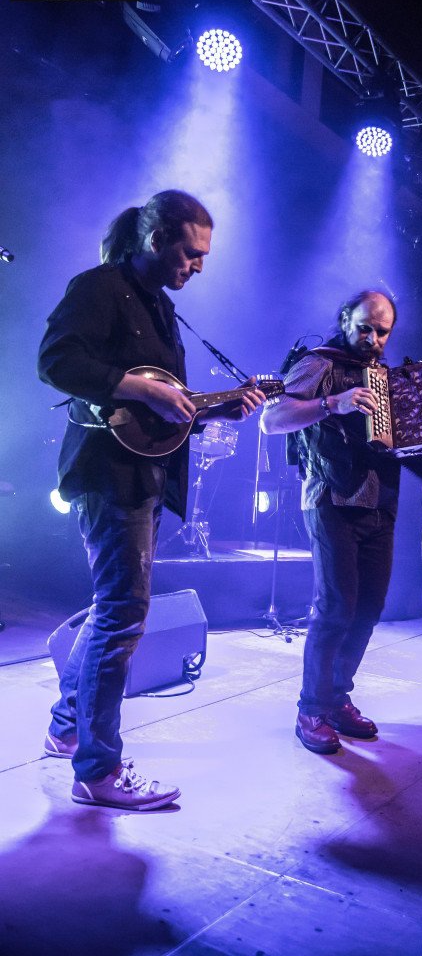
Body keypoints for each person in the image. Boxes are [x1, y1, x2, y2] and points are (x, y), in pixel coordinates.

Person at [38, 190, 265, 810]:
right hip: (107, 476)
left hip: (145, 478)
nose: (199, 266)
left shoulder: (163, 308)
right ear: (156, 239)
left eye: (204, 256)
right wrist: (139, 387)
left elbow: (170, 405)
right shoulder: (99, 288)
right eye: (191, 253)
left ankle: (66, 727)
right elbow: (55, 361)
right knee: (121, 614)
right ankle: (98, 771)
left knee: (113, 609)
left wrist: (218, 410)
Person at [261, 289, 399, 754]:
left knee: (369, 608)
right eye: (365, 327)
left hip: (380, 503)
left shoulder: (386, 378)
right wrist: (331, 404)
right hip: (330, 499)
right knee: (336, 607)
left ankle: (337, 698)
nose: (374, 338)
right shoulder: (319, 363)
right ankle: (312, 709)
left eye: (383, 331)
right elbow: (271, 419)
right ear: (345, 320)